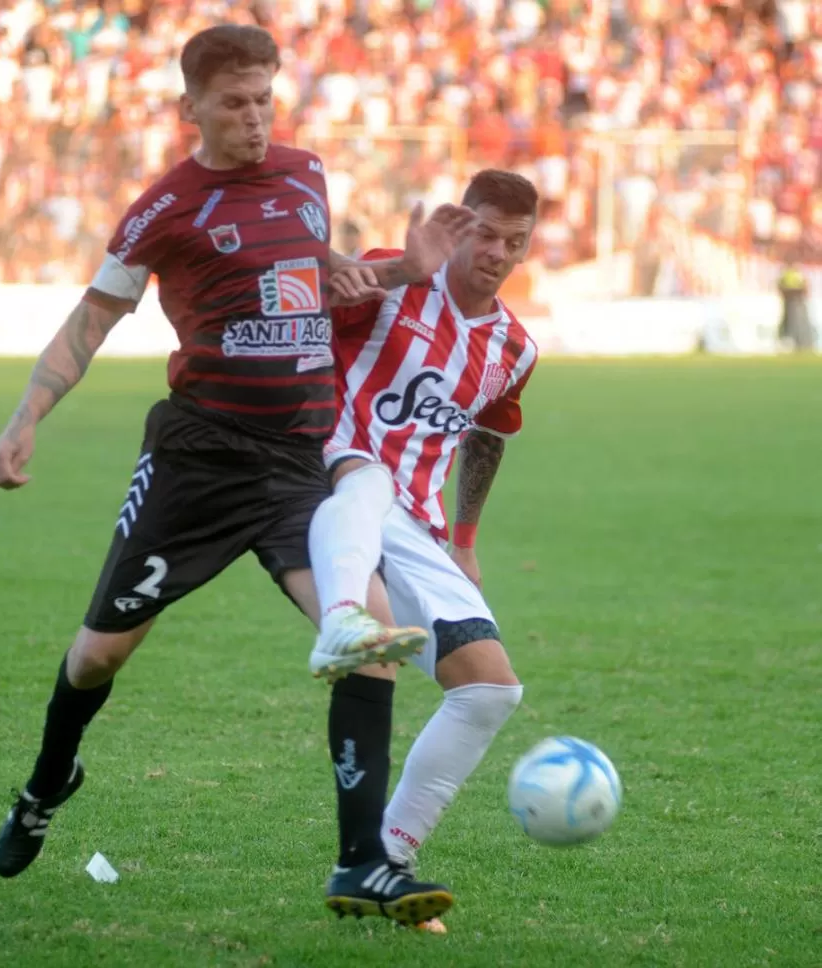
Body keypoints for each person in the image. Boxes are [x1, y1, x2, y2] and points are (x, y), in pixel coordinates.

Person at [0, 24, 472, 926]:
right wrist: (25, 420)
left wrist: (409, 269)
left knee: (370, 639)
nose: (253, 120)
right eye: (233, 104)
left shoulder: (306, 175)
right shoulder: (163, 208)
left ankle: (362, 863)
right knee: (99, 656)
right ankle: (47, 783)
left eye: (264, 101)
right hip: (198, 460)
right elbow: (91, 320)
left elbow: (316, 284)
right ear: (191, 109)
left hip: (297, 460)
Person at [315, 169, 540, 932]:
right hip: (336, 475)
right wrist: (396, 270)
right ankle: (342, 614)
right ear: (458, 223)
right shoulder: (398, 278)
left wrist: (467, 540)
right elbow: (306, 298)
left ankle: (387, 858)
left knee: (490, 689)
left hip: (412, 521)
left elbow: (489, 432)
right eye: (484, 232)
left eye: (516, 241)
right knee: (367, 489)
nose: (498, 252)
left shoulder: (513, 346)